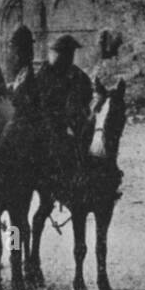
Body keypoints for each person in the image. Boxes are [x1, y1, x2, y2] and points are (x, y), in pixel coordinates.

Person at [34, 34, 93, 194]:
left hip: (75, 120)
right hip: (51, 120)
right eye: (67, 53)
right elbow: (41, 101)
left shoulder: (78, 74)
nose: (70, 57)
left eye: (72, 53)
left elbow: (87, 93)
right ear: (59, 53)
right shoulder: (46, 73)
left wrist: (82, 111)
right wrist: (60, 119)